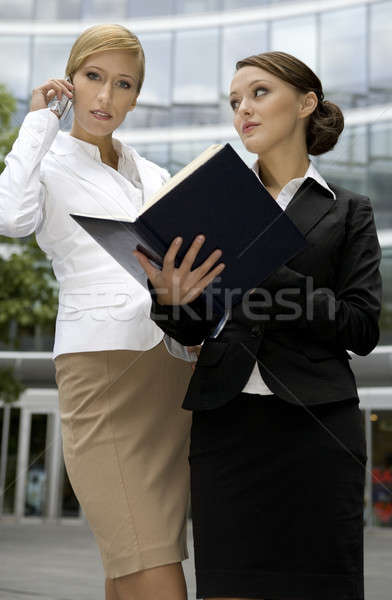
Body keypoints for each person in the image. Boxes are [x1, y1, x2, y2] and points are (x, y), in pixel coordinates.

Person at [135, 51, 382, 600]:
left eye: (259, 93)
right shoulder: (210, 203)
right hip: (227, 425)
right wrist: (171, 299)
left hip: (318, 427)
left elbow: (361, 327)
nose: (243, 108)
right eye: (234, 101)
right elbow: (193, 330)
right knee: (227, 589)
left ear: (306, 103)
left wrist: (268, 265)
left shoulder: (349, 210)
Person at [0, 24, 196, 600]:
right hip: (101, 367)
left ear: (137, 96)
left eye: (123, 84)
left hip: (172, 367)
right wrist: (39, 119)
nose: (106, 97)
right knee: (152, 562)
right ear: (70, 80)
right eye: (93, 77)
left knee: (132, 560)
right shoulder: (46, 160)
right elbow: (9, 218)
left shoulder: (155, 175)